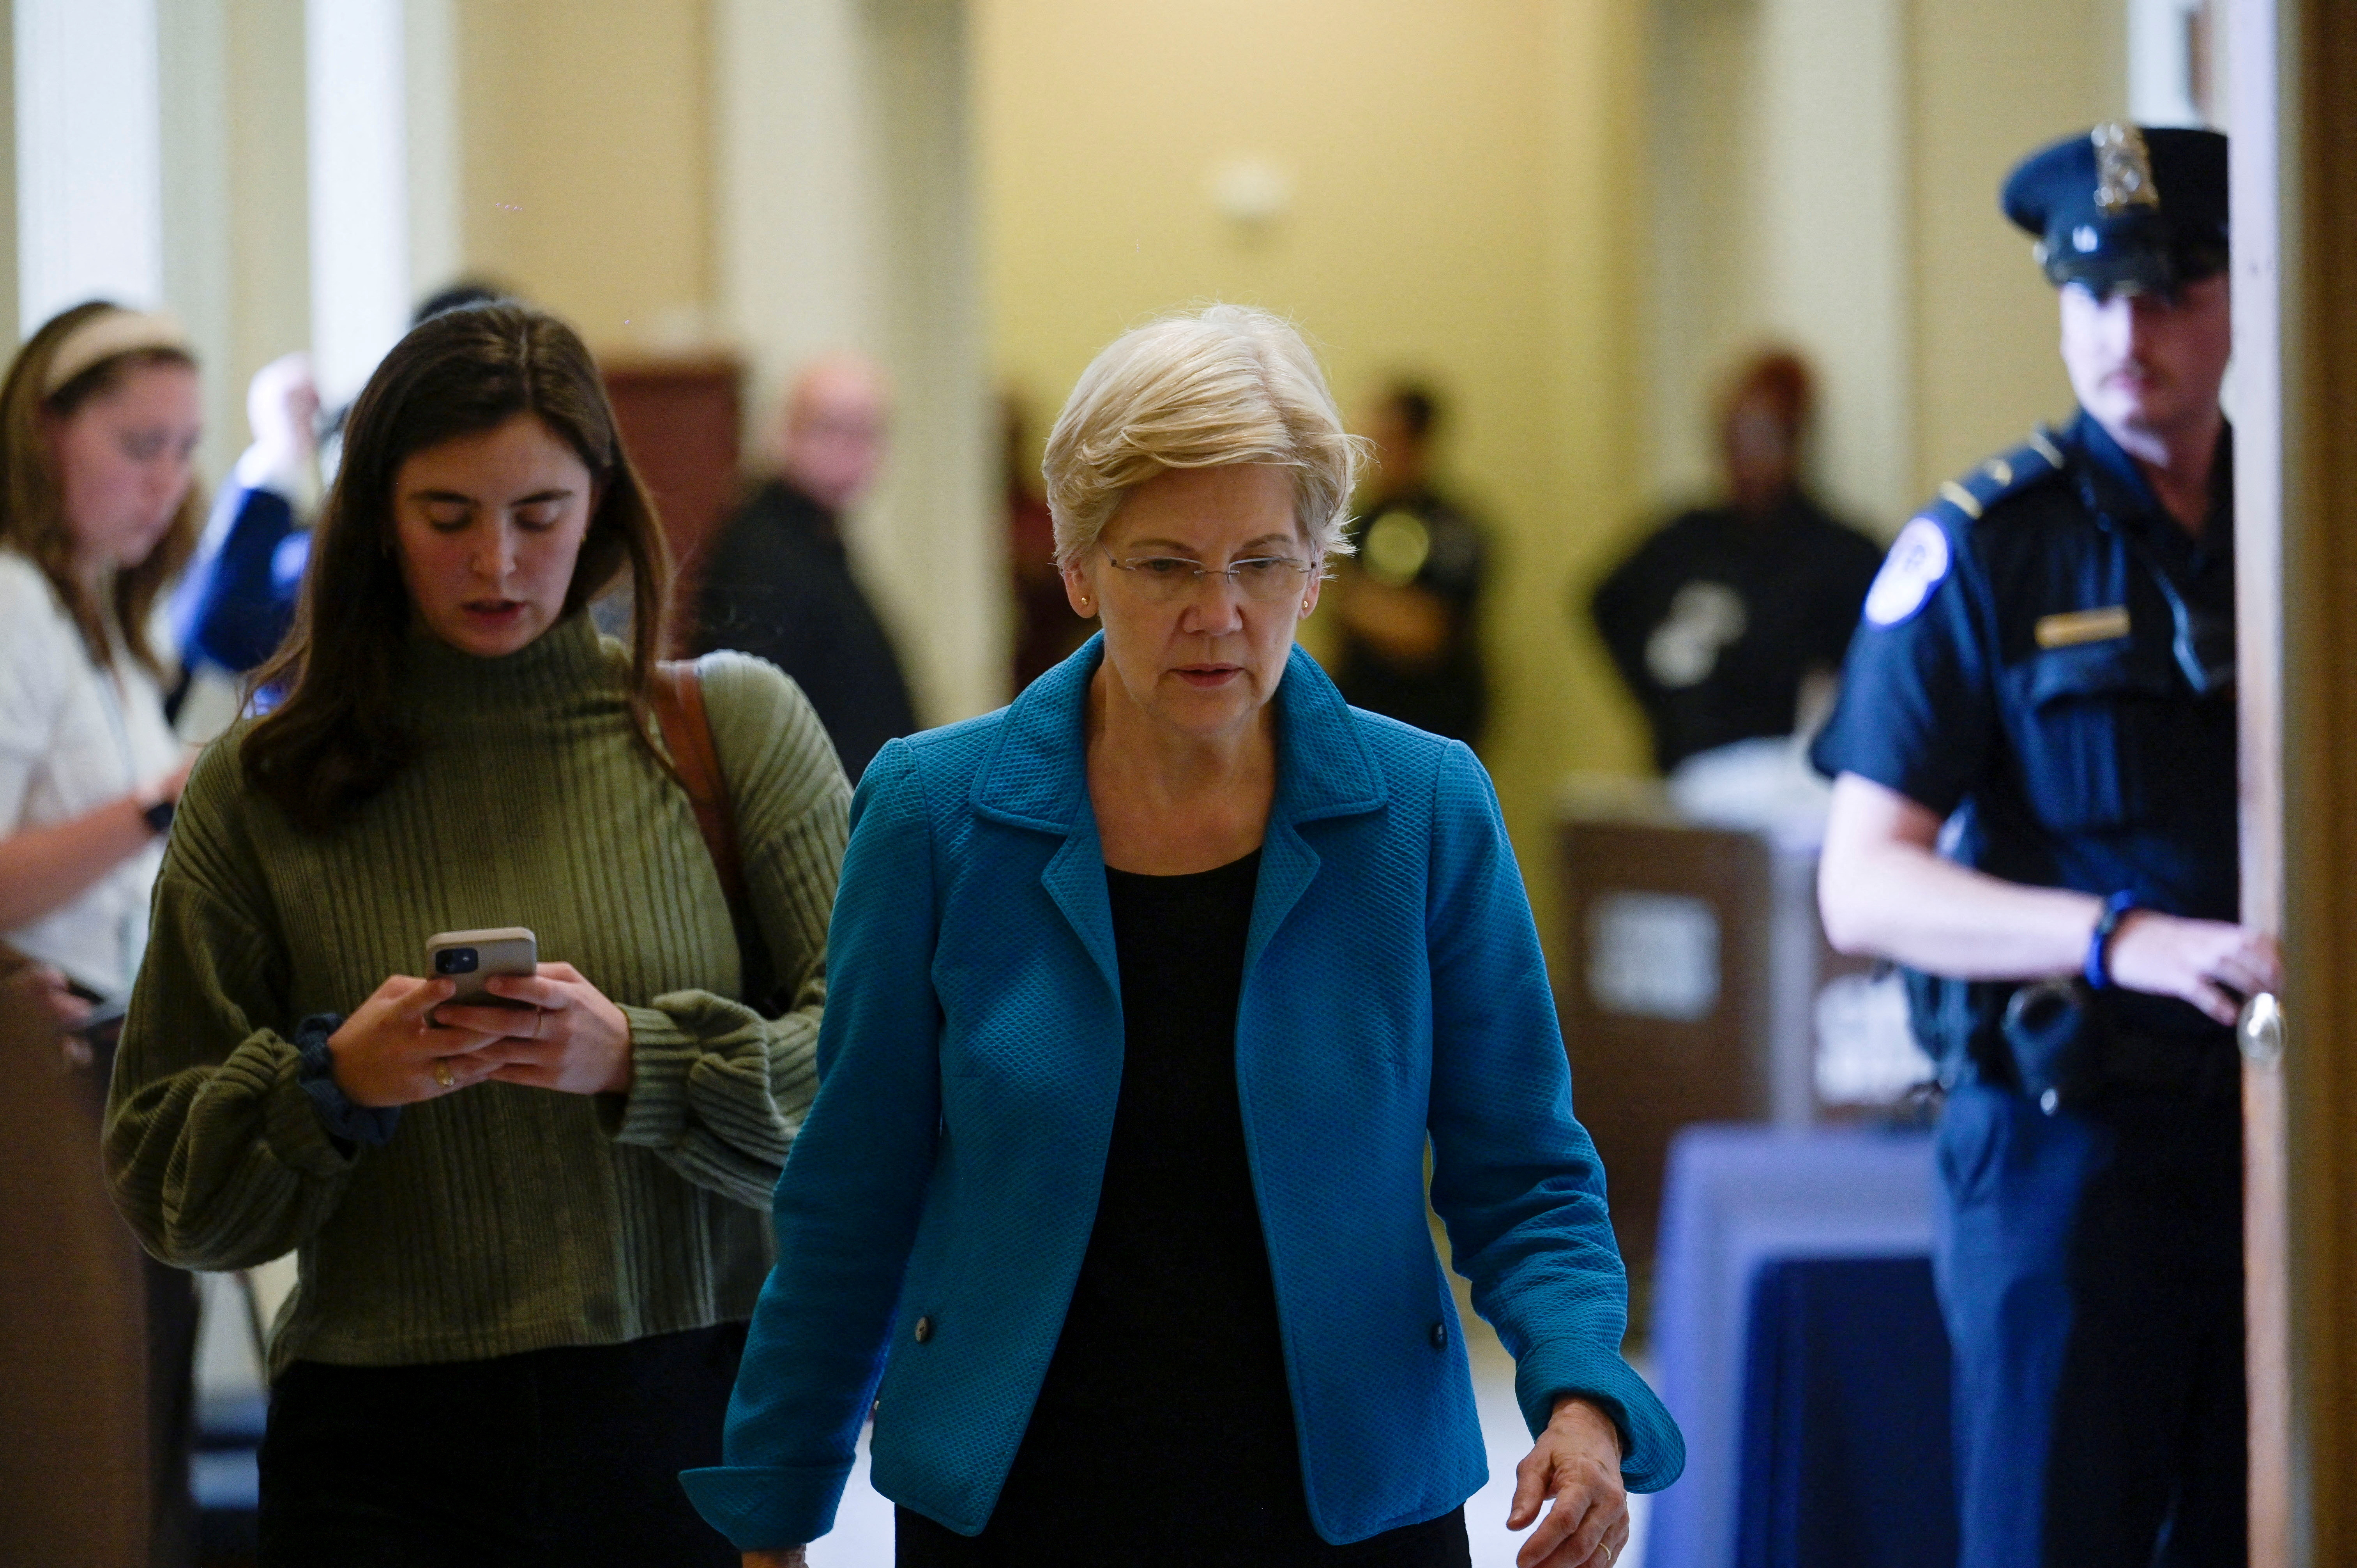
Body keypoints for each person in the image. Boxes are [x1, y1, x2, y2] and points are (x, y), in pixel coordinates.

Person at [682, 305, 1682, 1568]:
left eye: (1262, 562)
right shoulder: (936, 812)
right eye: (1163, 564)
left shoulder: (1425, 810)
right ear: (1078, 567)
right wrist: (774, 1514)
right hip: (1020, 1498)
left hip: (1349, 1504)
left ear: (1318, 570)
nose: (1218, 613)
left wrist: (1582, 1402)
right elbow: (852, 1194)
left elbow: (1522, 1170)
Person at [103, 302, 850, 1567]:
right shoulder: (258, 785)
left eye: (538, 516)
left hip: (690, 1407)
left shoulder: (732, 730)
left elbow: (884, 1082)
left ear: (602, 505)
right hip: (381, 1446)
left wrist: (639, 1061)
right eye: (448, 517)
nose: (497, 561)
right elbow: (163, 1184)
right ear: (375, 519)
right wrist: (334, 1082)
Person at [1811, 125, 2265, 1567]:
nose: (2128, 332)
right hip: (2066, 1145)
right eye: (2092, 294)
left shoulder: (2302, 521)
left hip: (2276, 1136)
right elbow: (1859, 883)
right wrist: (2109, 936)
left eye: (2169, 290)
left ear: (2233, 292)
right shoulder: (1982, 550)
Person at [0, 301, 205, 1566]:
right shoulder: (13, 600)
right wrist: (161, 807)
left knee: (147, 1443)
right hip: (52, 1070)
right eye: (138, 441)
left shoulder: (105, 624)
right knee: (89, 1462)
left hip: (124, 1063)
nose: (164, 480)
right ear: (44, 432)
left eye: (186, 446)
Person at [1589, 351, 1884, 774]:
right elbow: (1607, 604)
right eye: (1733, 437)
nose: (1746, 457)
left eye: (1763, 437)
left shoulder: (1840, 553)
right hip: (1684, 769)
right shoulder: (1683, 540)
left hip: (1787, 776)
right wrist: (1663, 706)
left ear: (1796, 439)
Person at [689, 351, 919, 782]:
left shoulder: (817, 537)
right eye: (831, 428)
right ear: (785, 429)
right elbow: (748, 723)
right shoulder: (762, 553)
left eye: (868, 433)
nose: (852, 451)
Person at [1329, 381, 1490, 747]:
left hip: (1434, 720)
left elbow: (1426, 633)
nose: (1376, 456)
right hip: (1360, 714)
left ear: (1420, 444)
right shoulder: (1355, 522)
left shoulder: (1454, 528)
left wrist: (1351, 599)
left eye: (1389, 441)